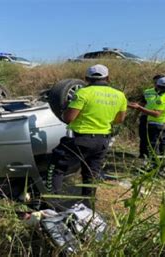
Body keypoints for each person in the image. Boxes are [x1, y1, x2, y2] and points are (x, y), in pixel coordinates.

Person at [46, 64, 127, 209]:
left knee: (57, 168)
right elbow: (119, 120)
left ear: (87, 78)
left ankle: (53, 203)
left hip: (81, 139)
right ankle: (87, 205)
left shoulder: (83, 93)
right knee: (91, 173)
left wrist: (65, 110)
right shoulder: (120, 95)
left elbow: (69, 118)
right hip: (102, 141)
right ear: (107, 78)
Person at [128, 77, 165, 158]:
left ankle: (153, 165)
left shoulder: (163, 97)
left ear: (158, 86)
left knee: (153, 146)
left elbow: (156, 114)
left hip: (157, 125)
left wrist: (138, 108)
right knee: (164, 145)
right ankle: (163, 164)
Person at [138, 74, 165, 159]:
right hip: (146, 117)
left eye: (158, 82)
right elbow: (142, 104)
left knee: (159, 140)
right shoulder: (148, 92)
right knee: (143, 137)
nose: (156, 84)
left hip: (161, 119)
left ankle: (159, 158)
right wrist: (137, 115)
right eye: (155, 82)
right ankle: (143, 155)